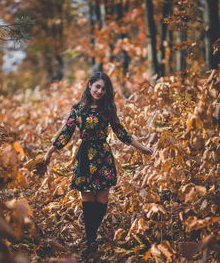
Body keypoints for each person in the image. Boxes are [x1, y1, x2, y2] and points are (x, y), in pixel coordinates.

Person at [43, 71, 153, 255]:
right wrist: (49, 152)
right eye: (97, 87)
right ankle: (91, 241)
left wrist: (141, 147)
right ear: (90, 86)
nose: (100, 91)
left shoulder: (107, 109)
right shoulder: (78, 109)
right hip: (85, 156)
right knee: (87, 200)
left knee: (101, 201)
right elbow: (66, 132)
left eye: (103, 88)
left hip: (103, 156)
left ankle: (90, 237)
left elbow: (120, 131)